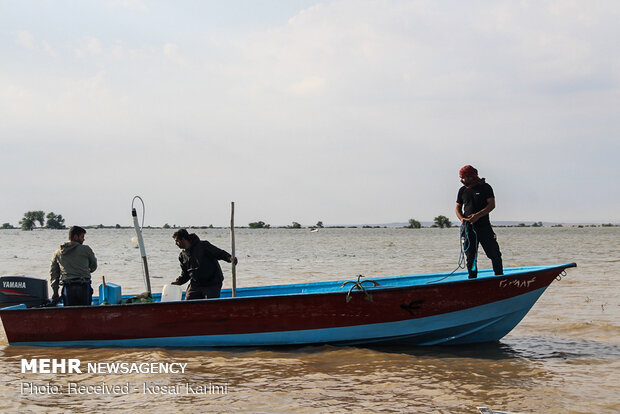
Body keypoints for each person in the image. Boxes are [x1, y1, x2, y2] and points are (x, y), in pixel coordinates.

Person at [455, 165, 503, 279]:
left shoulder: (485, 187)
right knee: (471, 257)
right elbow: (457, 207)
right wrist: (462, 219)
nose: (461, 180)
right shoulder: (462, 190)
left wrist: (477, 216)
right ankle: (472, 279)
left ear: (470, 177)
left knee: (494, 254)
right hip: (468, 229)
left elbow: (492, 205)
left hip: (484, 227)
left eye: (463, 177)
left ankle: (499, 277)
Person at [171, 229, 238, 300]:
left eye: (177, 241)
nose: (176, 244)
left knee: (209, 304)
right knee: (188, 304)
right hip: (196, 284)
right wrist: (179, 281)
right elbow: (185, 274)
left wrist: (230, 258)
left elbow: (219, 253)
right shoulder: (182, 256)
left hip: (212, 283)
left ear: (183, 239)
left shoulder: (203, 246)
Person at [49, 226, 97, 306]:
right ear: (75, 237)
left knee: (70, 313)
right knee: (86, 312)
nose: (83, 239)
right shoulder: (85, 249)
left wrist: (55, 292)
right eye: (82, 237)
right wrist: (86, 270)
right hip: (84, 286)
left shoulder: (58, 252)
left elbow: (54, 273)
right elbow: (94, 266)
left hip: (68, 288)